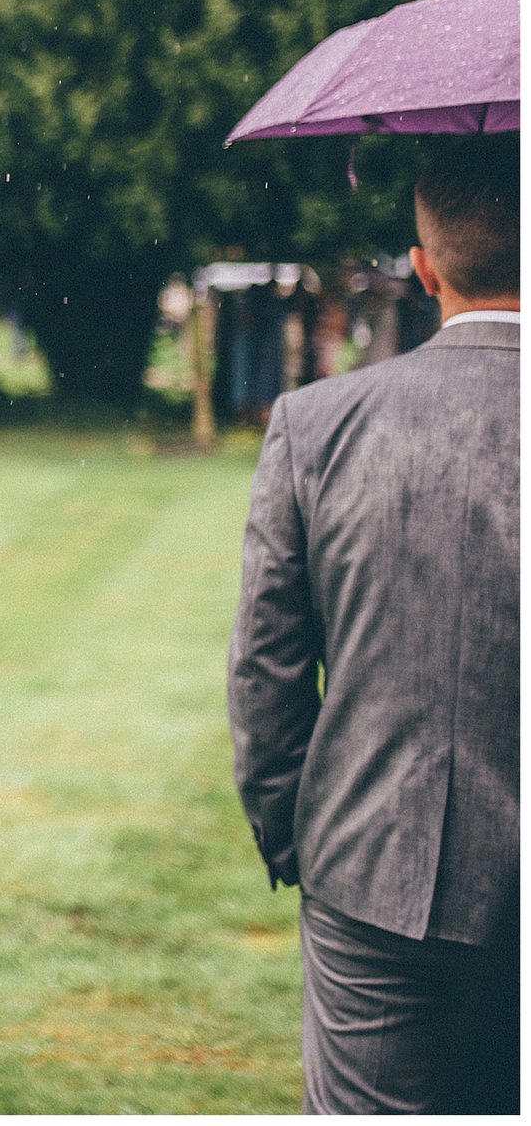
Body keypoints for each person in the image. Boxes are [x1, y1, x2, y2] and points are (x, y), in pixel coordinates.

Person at [227, 134, 519, 1113]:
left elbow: (265, 677)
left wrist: (295, 836)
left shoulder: (316, 425)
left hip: (370, 872)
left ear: (424, 266)